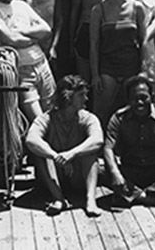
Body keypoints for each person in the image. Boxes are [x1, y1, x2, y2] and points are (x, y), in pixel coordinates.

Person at [103, 74, 155, 210]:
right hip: (129, 170)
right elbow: (108, 148)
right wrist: (116, 173)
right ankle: (153, 199)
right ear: (128, 99)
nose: (139, 103)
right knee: (102, 171)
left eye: (143, 98)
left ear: (152, 96)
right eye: (134, 99)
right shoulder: (119, 118)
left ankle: (133, 196)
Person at [25, 75, 103, 217]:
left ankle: (90, 200)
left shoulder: (88, 118)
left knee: (90, 152)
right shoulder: (46, 118)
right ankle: (58, 199)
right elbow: (31, 140)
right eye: (81, 95)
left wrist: (72, 154)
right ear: (68, 97)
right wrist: (55, 156)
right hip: (53, 177)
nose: (86, 99)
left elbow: (97, 140)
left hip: (77, 176)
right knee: (41, 153)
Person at [89, 0, 146, 128]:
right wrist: (95, 75)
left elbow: (144, 42)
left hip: (132, 68)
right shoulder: (98, 10)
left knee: (133, 112)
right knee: (100, 113)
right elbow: (94, 44)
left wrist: (143, 70)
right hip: (108, 70)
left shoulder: (137, 8)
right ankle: (96, 148)